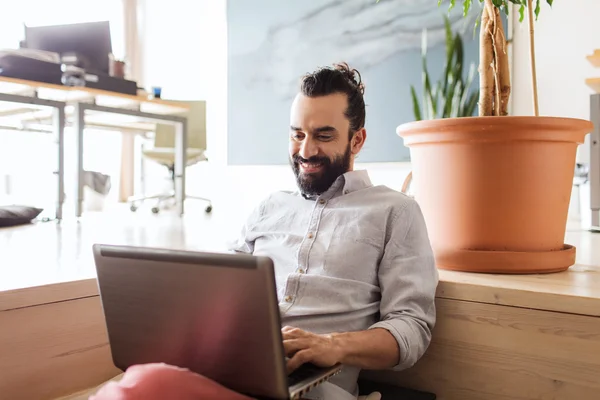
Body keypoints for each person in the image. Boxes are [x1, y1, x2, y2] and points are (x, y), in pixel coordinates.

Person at [90, 62, 438, 400]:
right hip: (233, 369)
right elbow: (217, 289)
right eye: (297, 134)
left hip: (313, 389)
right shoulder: (270, 207)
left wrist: (331, 345)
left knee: (144, 385)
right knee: (140, 376)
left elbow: (412, 328)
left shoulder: (396, 210)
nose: (306, 150)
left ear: (357, 140)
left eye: (323, 135)